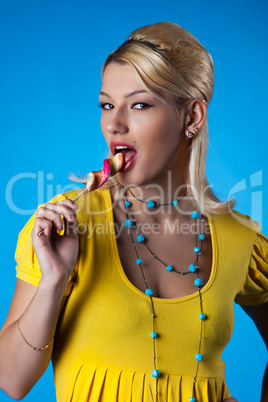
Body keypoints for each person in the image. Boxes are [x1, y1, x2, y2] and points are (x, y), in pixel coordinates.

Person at [0, 21, 267, 402]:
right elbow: (12, 381)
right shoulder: (61, 227)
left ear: (191, 117)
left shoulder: (242, 241)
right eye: (107, 105)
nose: (113, 123)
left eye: (139, 104)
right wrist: (52, 282)